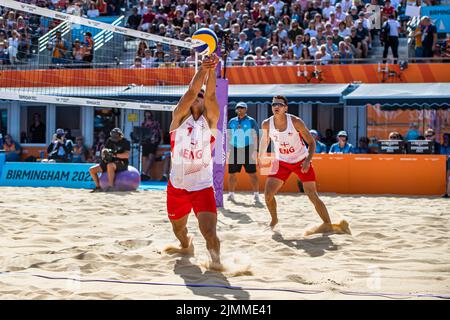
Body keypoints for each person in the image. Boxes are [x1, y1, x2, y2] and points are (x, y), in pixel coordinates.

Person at [258, 95, 350, 235]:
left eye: (280, 104)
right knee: (268, 195)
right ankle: (274, 220)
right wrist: (260, 156)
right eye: (274, 104)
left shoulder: (295, 122)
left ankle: (327, 224)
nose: (276, 106)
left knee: (312, 195)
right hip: (281, 162)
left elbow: (312, 143)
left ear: (286, 108)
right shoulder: (266, 124)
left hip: (301, 161)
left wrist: (307, 161)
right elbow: (264, 141)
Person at [165, 54, 221, 268]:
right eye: (195, 94)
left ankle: (217, 264)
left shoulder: (210, 121)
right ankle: (186, 245)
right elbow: (190, 92)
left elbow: (212, 95)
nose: (197, 96)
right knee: (179, 229)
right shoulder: (178, 118)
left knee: (209, 233)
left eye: (201, 95)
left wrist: (212, 70)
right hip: (177, 187)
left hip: (202, 187)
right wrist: (202, 68)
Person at [227, 101, 261, 205]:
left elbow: (255, 135)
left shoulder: (251, 121)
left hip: (248, 148)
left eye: (242, 108)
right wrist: (229, 148)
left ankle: (256, 194)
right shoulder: (232, 121)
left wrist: (255, 150)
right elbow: (228, 135)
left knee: (252, 174)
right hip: (235, 148)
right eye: (238, 108)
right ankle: (231, 194)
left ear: (246, 109)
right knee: (232, 174)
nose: (239, 109)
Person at [89, 128, 131, 192]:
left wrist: (114, 155)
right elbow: (104, 150)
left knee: (110, 165)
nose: (114, 139)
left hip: (122, 163)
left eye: (116, 137)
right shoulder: (110, 140)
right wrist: (104, 154)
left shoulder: (126, 142)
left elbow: (126, 155)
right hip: (109, 161)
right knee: (92, 170)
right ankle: (98, 187)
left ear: (120, 136)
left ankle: (111, 187)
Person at [140, 110, 162, 181]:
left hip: (153, 141)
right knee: (144, 158)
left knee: (151, 157)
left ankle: (145, 173)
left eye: (148, 113)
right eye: (146, 114)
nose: (147, 115)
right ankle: (146, 174)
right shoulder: (143, 123)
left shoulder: (156, 122)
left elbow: (160, 131)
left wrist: (162, 140)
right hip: (145, 142)